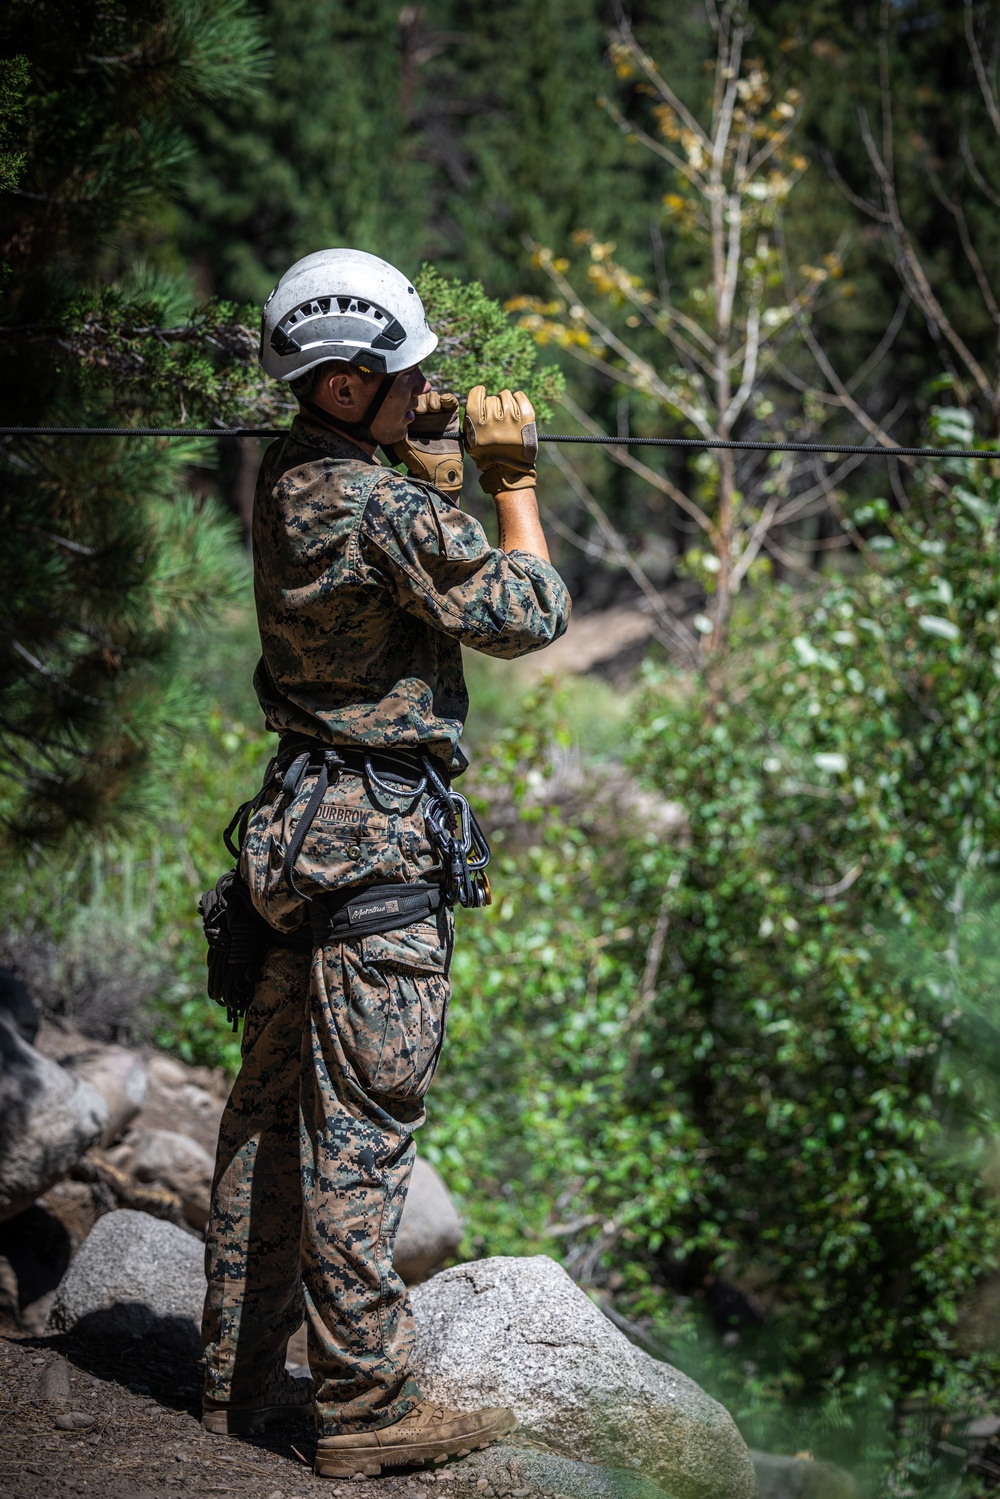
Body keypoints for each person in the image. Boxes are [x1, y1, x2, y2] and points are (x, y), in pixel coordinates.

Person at [200, 248, 571, 1479]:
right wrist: (510, 485)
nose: (427, 387)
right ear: (347, 387)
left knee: (266, 1118)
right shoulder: (379, 506)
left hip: (295, 833)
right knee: (358, 1128)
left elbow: (386, 562)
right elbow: (523, 613)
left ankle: (235, 1382)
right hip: (375, 850)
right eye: (406, 375)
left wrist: (429, 473)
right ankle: (366, 1408)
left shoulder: (293, 473)